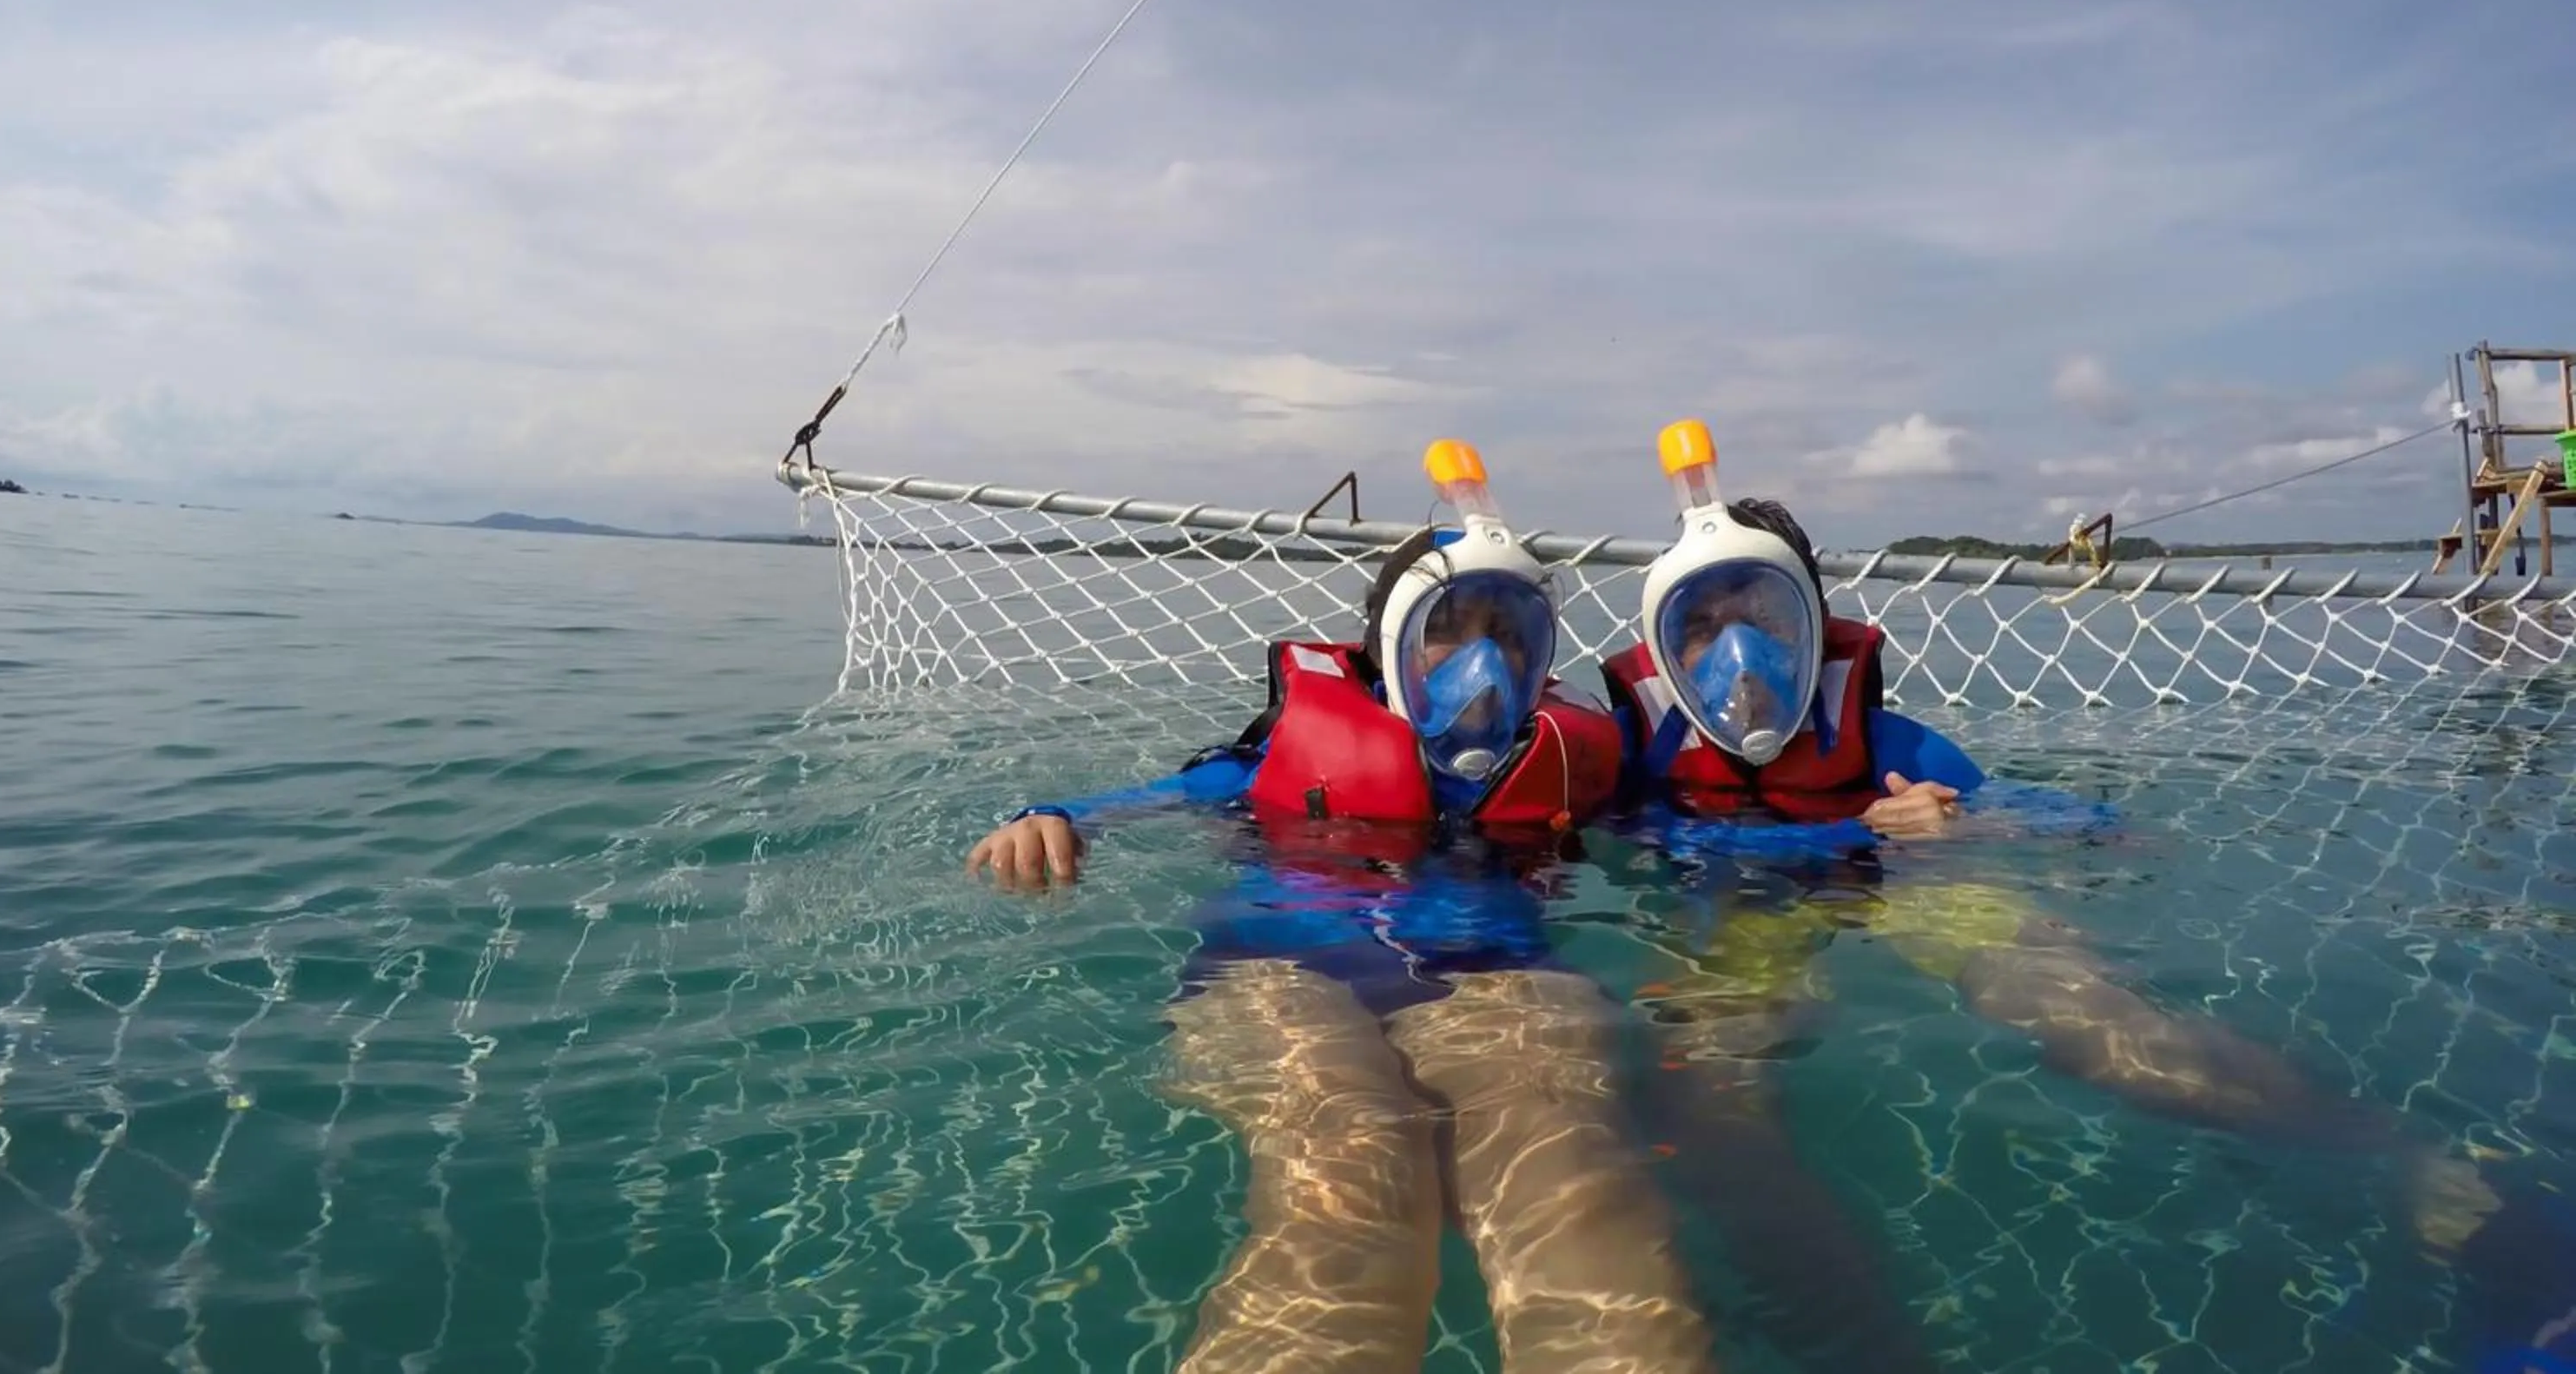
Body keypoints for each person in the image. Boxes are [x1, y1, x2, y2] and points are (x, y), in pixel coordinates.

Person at [1598, 419, 2501, 1256]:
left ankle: (2392, 1149)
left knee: (2111, 1035)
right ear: (1664, 650)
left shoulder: (1895, 751)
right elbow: (1611, 835)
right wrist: (1837, 831)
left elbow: (2089, 828)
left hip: (1900, 884)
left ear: (1813, 624)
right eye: (1703, 628)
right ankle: (1831, 1312)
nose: (1737, 656)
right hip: (1746, 915)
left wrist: (1957, 820)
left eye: (1759, 615)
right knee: (1714, 1089)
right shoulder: (1647, 760)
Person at [967, 440, 1719, 1374]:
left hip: (1497, 985)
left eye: (1509, 631)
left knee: (1569, 1165)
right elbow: (1133, 806)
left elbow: (1713, 837)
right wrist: (1046, 821)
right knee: (1353, 1155)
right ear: (1388, 646)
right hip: (1276, 975)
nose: (1482, 660)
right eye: (1451, 627)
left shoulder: (1575, 767)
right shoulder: (1280, 755)